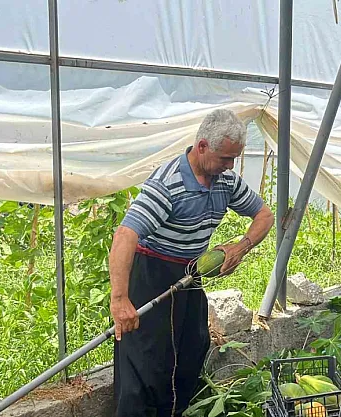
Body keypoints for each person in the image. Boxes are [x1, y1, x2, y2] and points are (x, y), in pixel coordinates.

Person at [108, 109, 274, 416]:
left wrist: (241, 247)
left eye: (234, 158)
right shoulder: (167, 184)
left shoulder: (226, 181)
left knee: (191, 350)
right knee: (146, 364)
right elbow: (125, 235)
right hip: (151, 273)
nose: (230, 166)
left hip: (190, 274)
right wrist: (119, 299)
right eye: (225, 158)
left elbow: (264, 215)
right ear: (202, 146)